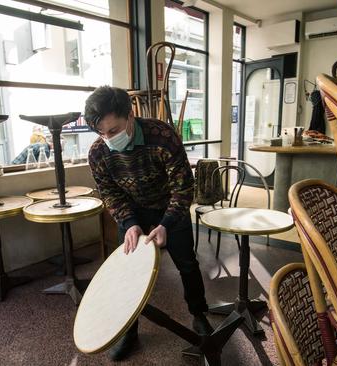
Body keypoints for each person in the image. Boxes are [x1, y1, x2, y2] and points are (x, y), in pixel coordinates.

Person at [84, 86, 213, 361]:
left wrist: (167, 222)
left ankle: (199, 313)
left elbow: (183, 186)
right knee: (126, 274)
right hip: (133, 212)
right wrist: (129, 223)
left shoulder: (162, 136)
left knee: (187, 264)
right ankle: (129, 331)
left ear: (130, 116)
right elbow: (110, 193)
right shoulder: (98, 153)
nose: (108, 138)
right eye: (101, 133)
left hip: (170, 207)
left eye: (114, 130)